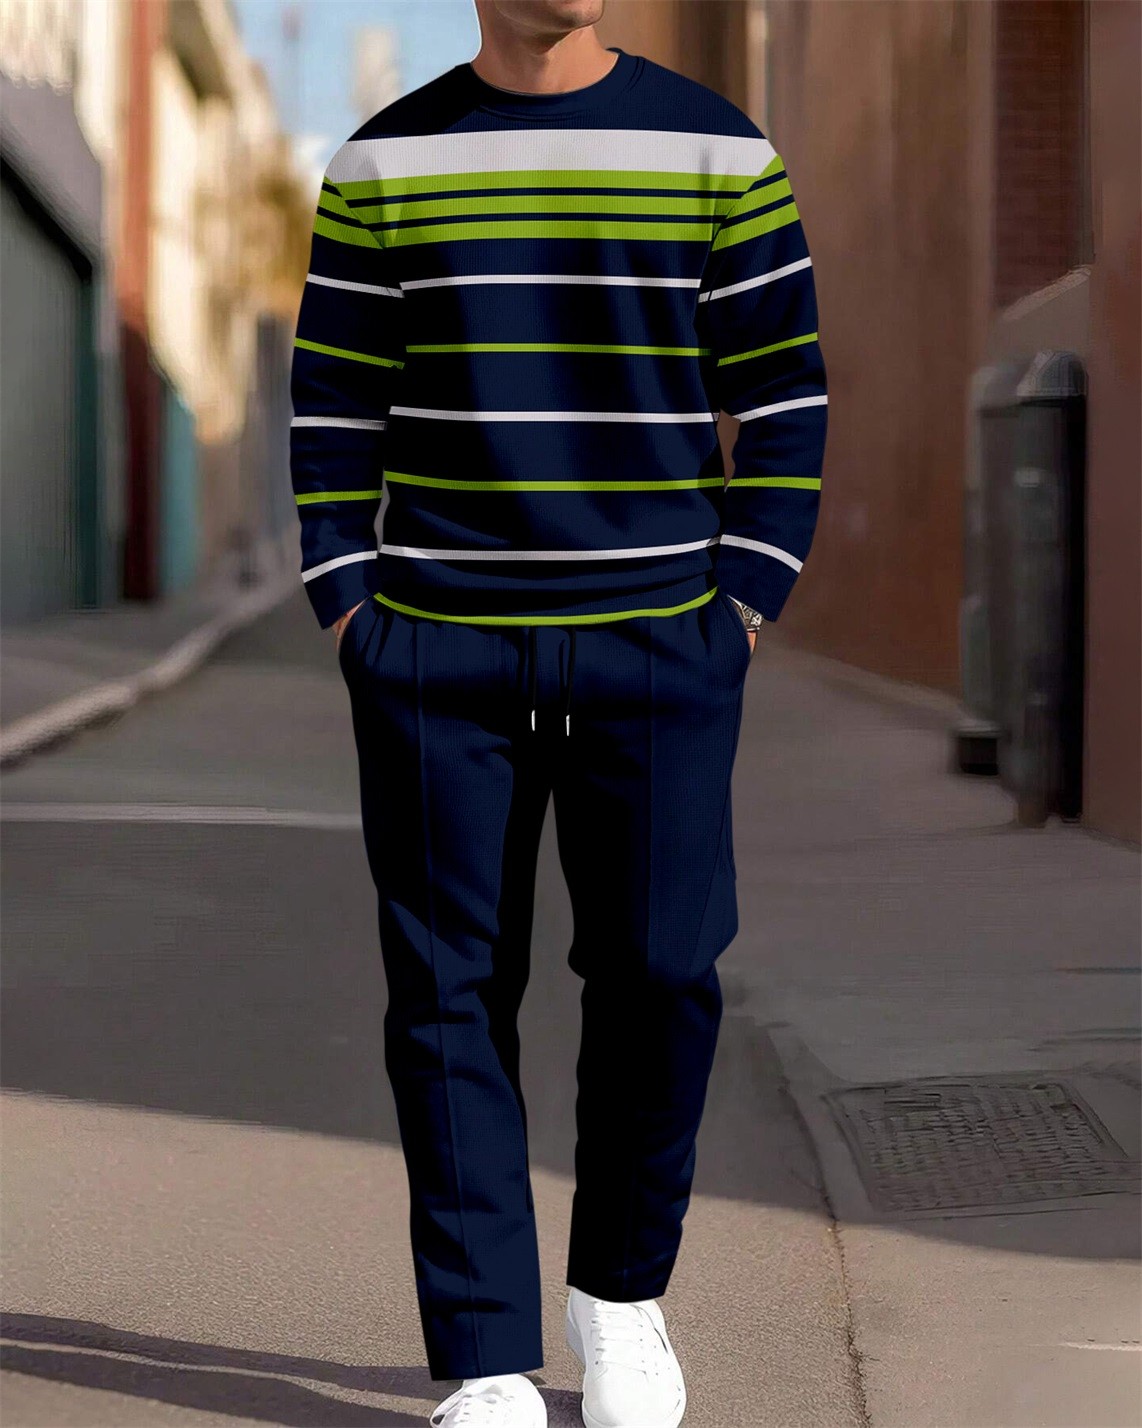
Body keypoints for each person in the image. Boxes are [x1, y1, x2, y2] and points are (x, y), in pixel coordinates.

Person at [289, 2, 826, 1423]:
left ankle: (621, 1299)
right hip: (436, 655)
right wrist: (352, 605)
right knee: (447, 996)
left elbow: (781, 392)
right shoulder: (381, 164)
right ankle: (485, 1356)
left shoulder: (718, 151)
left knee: (662, 977)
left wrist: (742, 601)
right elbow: (334, 406)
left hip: (659, 645)